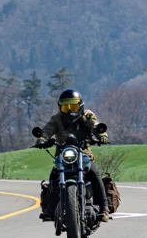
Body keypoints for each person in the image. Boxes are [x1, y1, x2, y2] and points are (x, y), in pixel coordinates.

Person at [34, 89, 110, 223]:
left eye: (73, 106)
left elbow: (95, 126)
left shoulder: (87, 115)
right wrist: (41, 139)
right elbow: (47, 130)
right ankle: (50, 209)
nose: (69, 111)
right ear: (60, 107)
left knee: (94, 172)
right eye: (66, 107)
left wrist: (101, 135)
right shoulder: (56, 119)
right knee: (53, 176)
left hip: (83, 153)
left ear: (80, 106)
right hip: (63, 154)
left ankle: (104, 208)